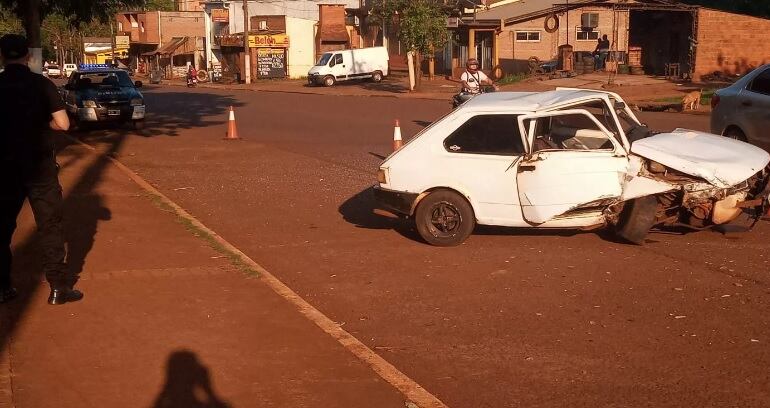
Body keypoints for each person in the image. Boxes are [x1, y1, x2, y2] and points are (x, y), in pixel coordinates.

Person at [0, 34, 83, 305]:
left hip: (4, 168)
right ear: (28, 56)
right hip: (40, 167)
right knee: (50, 226)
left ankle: (3, 287)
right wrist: (40, 124)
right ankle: (58, 288)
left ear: (2, 57)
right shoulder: (42, 84)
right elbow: (63, 124)